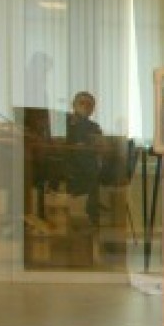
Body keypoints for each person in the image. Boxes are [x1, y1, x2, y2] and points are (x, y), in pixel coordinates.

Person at [64, 91, 104, 225]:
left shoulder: (94, 127)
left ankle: (92, 212)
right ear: (74, 105)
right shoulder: (64, 123)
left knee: (94, 170)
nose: (86, 106)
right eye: (82, 103)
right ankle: (92, 211)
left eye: (89, 104)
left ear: (93, 109)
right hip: (68, 162)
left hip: (87, 164)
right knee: (91, 171)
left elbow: (99, 146)